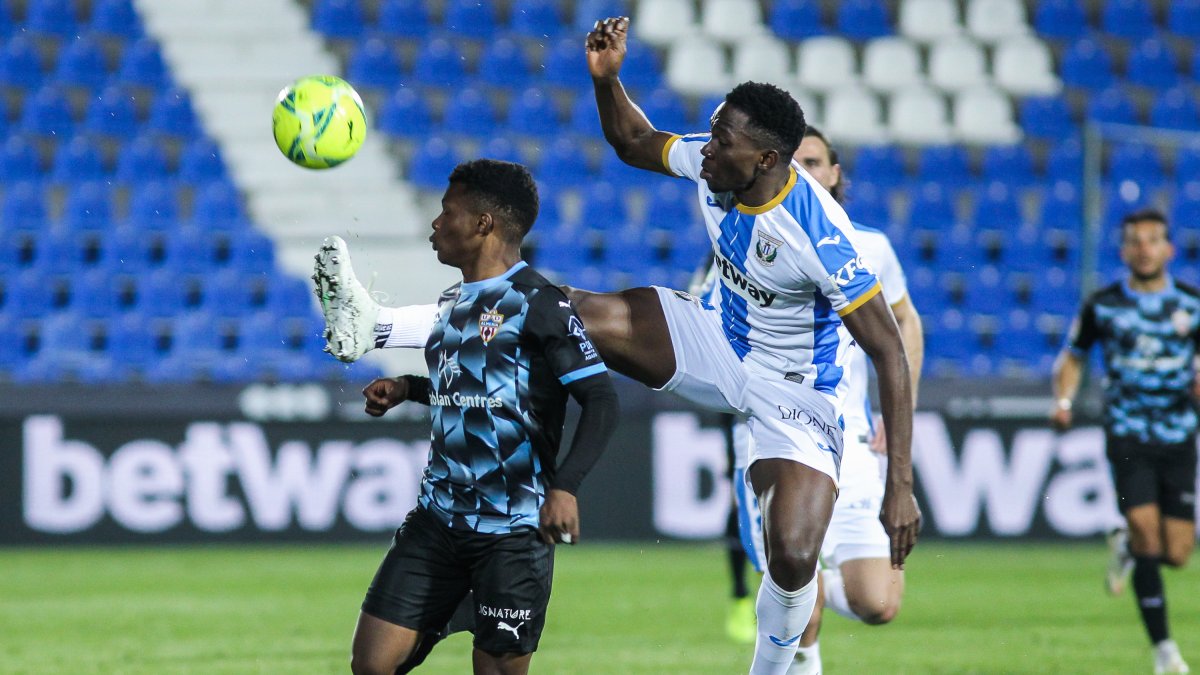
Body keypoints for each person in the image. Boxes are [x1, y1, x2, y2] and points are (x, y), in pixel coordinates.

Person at [318, 18, 920, 675]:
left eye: (722, 141)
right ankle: (373, 326)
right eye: (713, 133)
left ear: (767, 161)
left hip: (796, 391)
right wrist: (608, 80)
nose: (707, 150)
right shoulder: (719, 164)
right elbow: (634, 139)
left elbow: (890, 351)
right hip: (712, 335)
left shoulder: (823, 239)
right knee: (561, 308)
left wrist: (901, 487)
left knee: (797, 555)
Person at [315, 159, 620, 675]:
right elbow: (474, 394)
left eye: (446, 212)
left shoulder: (540, 304)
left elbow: (602, 400)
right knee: (370, 665)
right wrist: (409, 389)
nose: (436, 224)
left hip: (514, 530)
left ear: (484, 223)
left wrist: (565, 487)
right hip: (437, 522)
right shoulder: (452, 302)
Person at [726, 127, 924, 674]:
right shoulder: (745, 235)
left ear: (836, 173)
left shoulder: (871, 247)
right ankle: (805, 624)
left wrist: (897, 408)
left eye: (816, 162)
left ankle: (818, 590)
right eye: (797, 161)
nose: (807, 171)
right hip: (784, 436)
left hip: (855, 446)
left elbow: (905, 322)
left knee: (878, 603)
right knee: (798, 599)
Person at [1051, 208, 1199, 675]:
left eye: (1152, 240)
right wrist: (1064, 400)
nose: (1143, 249)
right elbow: (1073, 357)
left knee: (1177, 552)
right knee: (1149, 532)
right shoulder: (1103, 305)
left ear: (1168, 249)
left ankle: (1126, 547)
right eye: (1135, 241)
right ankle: (1163, 651)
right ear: (1124, 250)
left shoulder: (1192, 306)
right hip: (1128, 431)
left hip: (1178, 435)